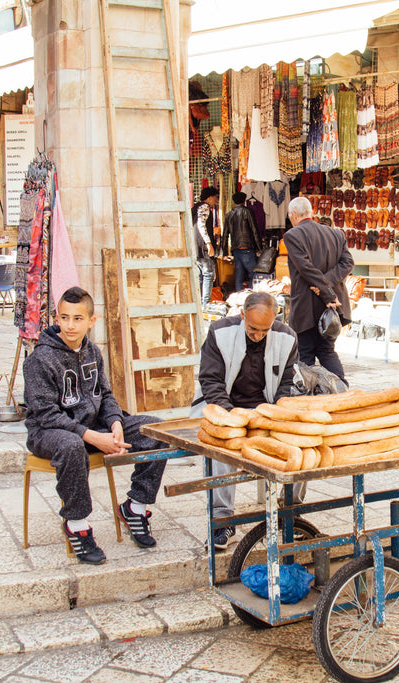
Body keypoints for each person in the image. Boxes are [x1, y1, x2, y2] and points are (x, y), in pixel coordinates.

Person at [24, 287, 169, 564]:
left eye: (78, 319)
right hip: (49, 433)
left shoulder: (93, 351)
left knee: (156, 431)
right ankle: (76, 524)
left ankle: (135, 507)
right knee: (71, 445)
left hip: (92, 427)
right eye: (64, 317)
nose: (70, 325)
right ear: (57, 317)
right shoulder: (39, 359)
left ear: (92, 320)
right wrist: (92, 437)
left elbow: (104, 395)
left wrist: (114, 422)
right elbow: (45, 414)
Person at [190, 291, 298, 550]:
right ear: (242, 316)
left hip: (266, 411)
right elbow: (211, 381)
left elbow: (286, 384)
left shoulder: (287, 337)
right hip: (225, 408)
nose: (258, 335)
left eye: (264, 330)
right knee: (222, 449)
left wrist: (273, 416)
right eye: (252, 329)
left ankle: (290, 513)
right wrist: (232, 416)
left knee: (299, 447)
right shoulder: (219, 332)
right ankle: (223, 520)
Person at [284, 196, 353, 382]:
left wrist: (324, 289)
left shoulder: (293, 235)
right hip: (331, 307)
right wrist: (328, 286)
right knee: (326, 350)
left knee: (305, 353)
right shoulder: (336, 234)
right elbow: (347, 263)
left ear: (293, 215)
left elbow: (305, 268)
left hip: (308, 306)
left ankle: (307, 397)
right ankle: (341, 388)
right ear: (311, 212)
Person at [226, 191, 262, 292]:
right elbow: (254, 230)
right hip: (247, 247)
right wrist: (259, 247)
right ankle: (249, 294)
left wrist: (225, 252)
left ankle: (239, 295)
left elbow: (225, 235)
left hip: (236, 248)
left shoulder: (229, 214)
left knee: (239, 274)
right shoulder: (248, 211)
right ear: (244, 201)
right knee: (253, 274)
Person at [192, 187, 219, 304]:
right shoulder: (205, 207)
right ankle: (205, 303)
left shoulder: (195, 207)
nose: (216, 201)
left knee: (200, 275)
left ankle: (200, 303)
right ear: (210, 197)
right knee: (208, 274)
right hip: (202, 246)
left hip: (195, 246)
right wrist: (209, 243)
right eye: (215, 198)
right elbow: (201, 225)